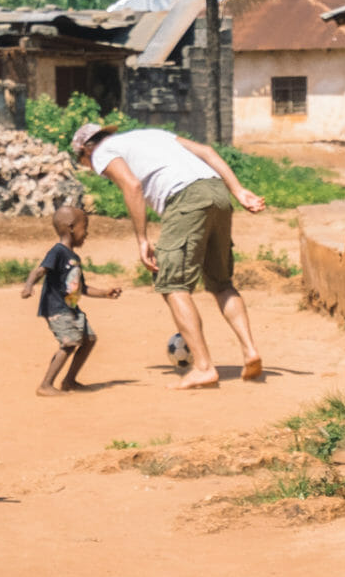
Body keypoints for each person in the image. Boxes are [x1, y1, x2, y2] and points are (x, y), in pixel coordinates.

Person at [71, 123, 266, 389]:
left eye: (84, 161)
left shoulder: (101, 152)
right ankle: (250, 351)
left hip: (185, 199)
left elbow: (132, 186)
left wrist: (141, 239)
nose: (91, 167)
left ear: (85, 150)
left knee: (171, 284)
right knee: (221, 283)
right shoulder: (151, 135)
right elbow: (207, 151)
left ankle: (203, 367)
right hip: (217, 193)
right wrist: (238, 190)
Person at [20, 204, 122, 396]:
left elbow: (82, 288)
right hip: (57, 308)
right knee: (69, 343)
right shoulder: (58, 251)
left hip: (71, 308)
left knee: (88, 339)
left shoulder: (74, 258)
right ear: (71, 227)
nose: (87, 233)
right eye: (85, 227)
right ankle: (45, 385)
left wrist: (105, 293)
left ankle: (69, 381)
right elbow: (40, 269)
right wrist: (29, 285)